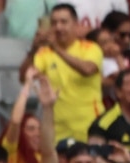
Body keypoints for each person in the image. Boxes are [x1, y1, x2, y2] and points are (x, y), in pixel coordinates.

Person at [24, 4, 104, 142]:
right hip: (58, 130)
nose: (58, 27)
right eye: (54, 23)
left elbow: (87, 69)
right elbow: (24, 77)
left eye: (64, 22)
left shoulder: (91, 48)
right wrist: (33, 49)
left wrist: (56, 48)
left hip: (90, 127)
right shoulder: (45, 53)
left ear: (76, 24)